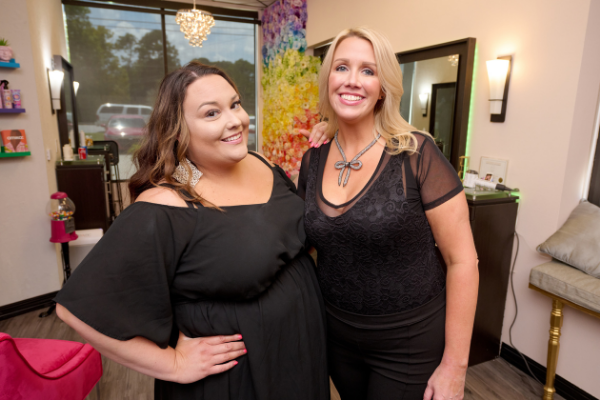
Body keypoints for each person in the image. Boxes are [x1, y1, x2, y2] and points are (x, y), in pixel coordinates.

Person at [55, 61, 330, 400]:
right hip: (237, 380)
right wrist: (172, 364)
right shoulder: (166, 204)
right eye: (211, 114)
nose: (235, 121)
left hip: (299, 357)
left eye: (235, 104)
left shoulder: (261, 164)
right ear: (179, 130)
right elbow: (76, 309)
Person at [298, 28, 479, 400]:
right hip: (336, 338)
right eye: (341, 67)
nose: (352, 80)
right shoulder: (312, 158)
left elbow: (463, 261)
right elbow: (305, 245)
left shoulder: (416, 154)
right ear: (327, 79)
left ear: (384, 87)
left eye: (368, 70)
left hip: (408, 343)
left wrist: (455, 367)